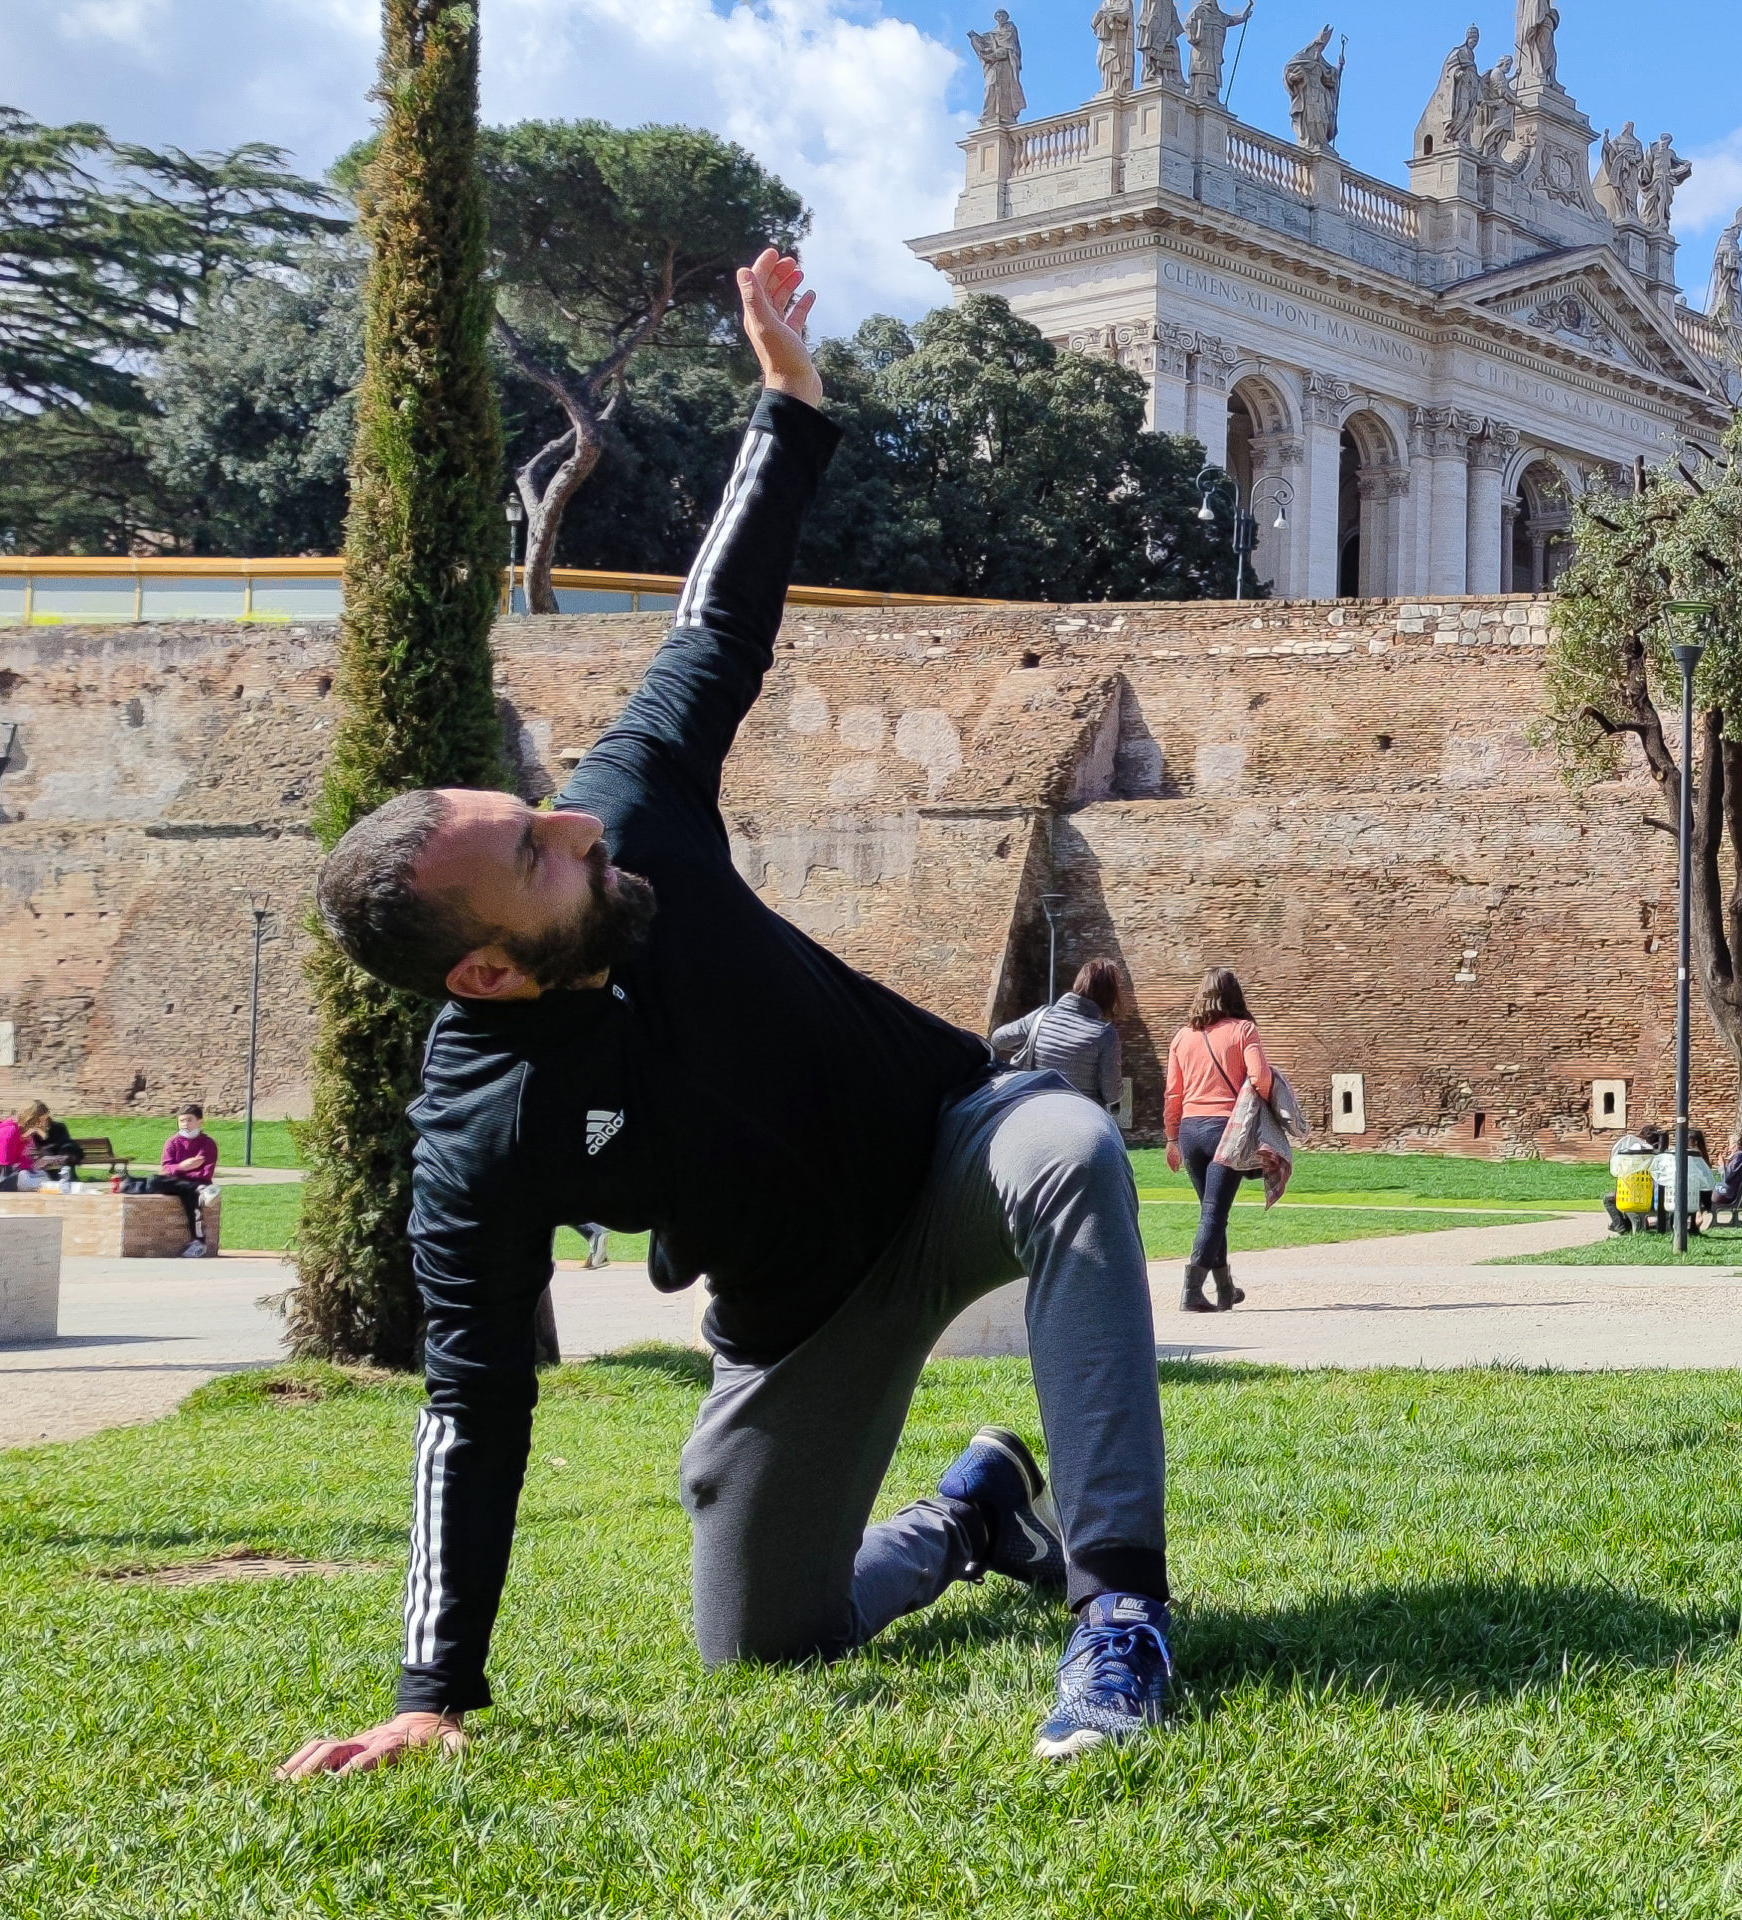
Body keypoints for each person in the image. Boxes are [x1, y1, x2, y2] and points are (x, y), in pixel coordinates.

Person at [280, 249, 1171, 1779]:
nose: (577, 833)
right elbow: (466, 1405)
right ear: (483, 973)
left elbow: (713, 626)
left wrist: (787, 404)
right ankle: (971, 1512)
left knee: (1071, 1146)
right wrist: (434, 1687)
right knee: (767, 1640)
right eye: (533, 855)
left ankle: (1120, 1618)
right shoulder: (474, 1130)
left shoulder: (626, 810)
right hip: (796, 1312)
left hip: (954, 1141)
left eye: (542, 811)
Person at [1163, 968, 1273, 1313]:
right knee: (1214, 1212)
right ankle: (1191, 1291)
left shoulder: (1182, 1037)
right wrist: (1268, 1108)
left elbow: (1173, 1093)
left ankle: (1225, 1290)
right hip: (1227, 1129)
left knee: (1212, 1209)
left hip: (1190, 1131)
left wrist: (1171, 1138)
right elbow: (1260, 1077)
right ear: (1235, 996)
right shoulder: (1243, 1030)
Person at [991, 957, 1126, 1115]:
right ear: (1110, 996)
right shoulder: (1106, 1034)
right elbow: (1112, 1094)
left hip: (1036, 1108)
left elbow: (998, 1038)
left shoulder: (1040, 1017)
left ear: (1077, 984)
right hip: (1082, 1113)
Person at [136, 1104, 219, 1257]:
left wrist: (180, 1173)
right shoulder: (172, 1142)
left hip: (197, 1183)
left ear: (200, 1122)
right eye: (181, 1121)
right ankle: (197, 1191)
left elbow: (206, 1173)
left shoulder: (207, 1143)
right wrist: (183, 1166)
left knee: (192, 1197)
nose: (185, 1124)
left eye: (189, 1120)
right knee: (155, 1180)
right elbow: (165, 1168)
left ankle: (199, 1241)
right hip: (182, 1184)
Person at [1603, 1125, 1665, 1235]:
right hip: (1662, 1199)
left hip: (1641, 1199)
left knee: (1609, 1199)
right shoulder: (1663, 1154)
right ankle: (1625, 1225)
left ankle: (1621, 1226)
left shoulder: (1636, 1157)